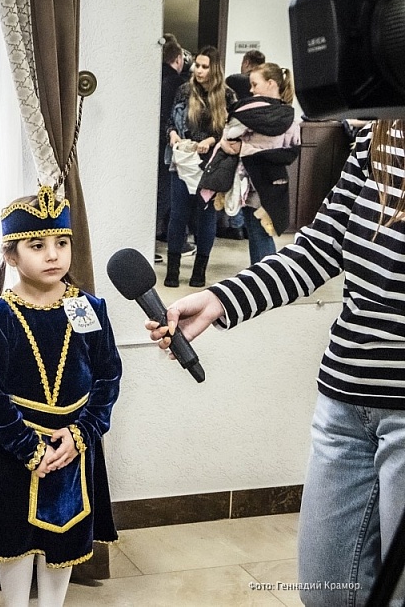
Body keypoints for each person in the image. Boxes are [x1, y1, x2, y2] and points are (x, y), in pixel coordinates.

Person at [147, 116, 405, 605]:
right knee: (327, 591)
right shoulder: (377, 138)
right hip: (345, 405)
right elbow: (320, 248)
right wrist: (221, 299)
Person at [0, 186, 121, 607]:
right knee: (14, 542)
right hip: (15, 450)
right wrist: (29, 448)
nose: (53, 255)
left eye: (61, 243)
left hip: (73, 448)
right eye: (37, 245)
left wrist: (81, 434)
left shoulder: (90, 308)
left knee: (64, 542)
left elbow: (108, 377)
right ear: (11, 255)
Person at [203, 63, 300, 264]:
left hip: (264, 185)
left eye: (255, 84)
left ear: (271, 83)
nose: (251, 90)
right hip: (251, 183)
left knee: (260, 235)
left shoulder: (279, 117)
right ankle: (262, 276)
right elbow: (229, 136)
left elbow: (286, 153)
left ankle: (266, 278)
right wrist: (227, 144)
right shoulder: (259, 114)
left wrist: (243, 148)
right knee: (256, 234)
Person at [165, 46, 236, 288]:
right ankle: (172, 271)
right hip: (183, 162)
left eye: (205, 66)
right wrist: (172, 134)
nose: (199, 70)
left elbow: (232, 130)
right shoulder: (185, 90)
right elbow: (170, 121)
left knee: (206, 217)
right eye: (197, 65)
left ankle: (199, 272)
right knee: (178, 216)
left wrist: (211, 140)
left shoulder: (227, 95)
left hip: (211, 165)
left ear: (215, 69)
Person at [157, 39, 187, 256]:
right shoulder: (177, 83)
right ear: (178, 59)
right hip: (170, 142)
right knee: (168, 194)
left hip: (154, 141)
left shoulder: (152, 76)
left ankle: (158, 235)